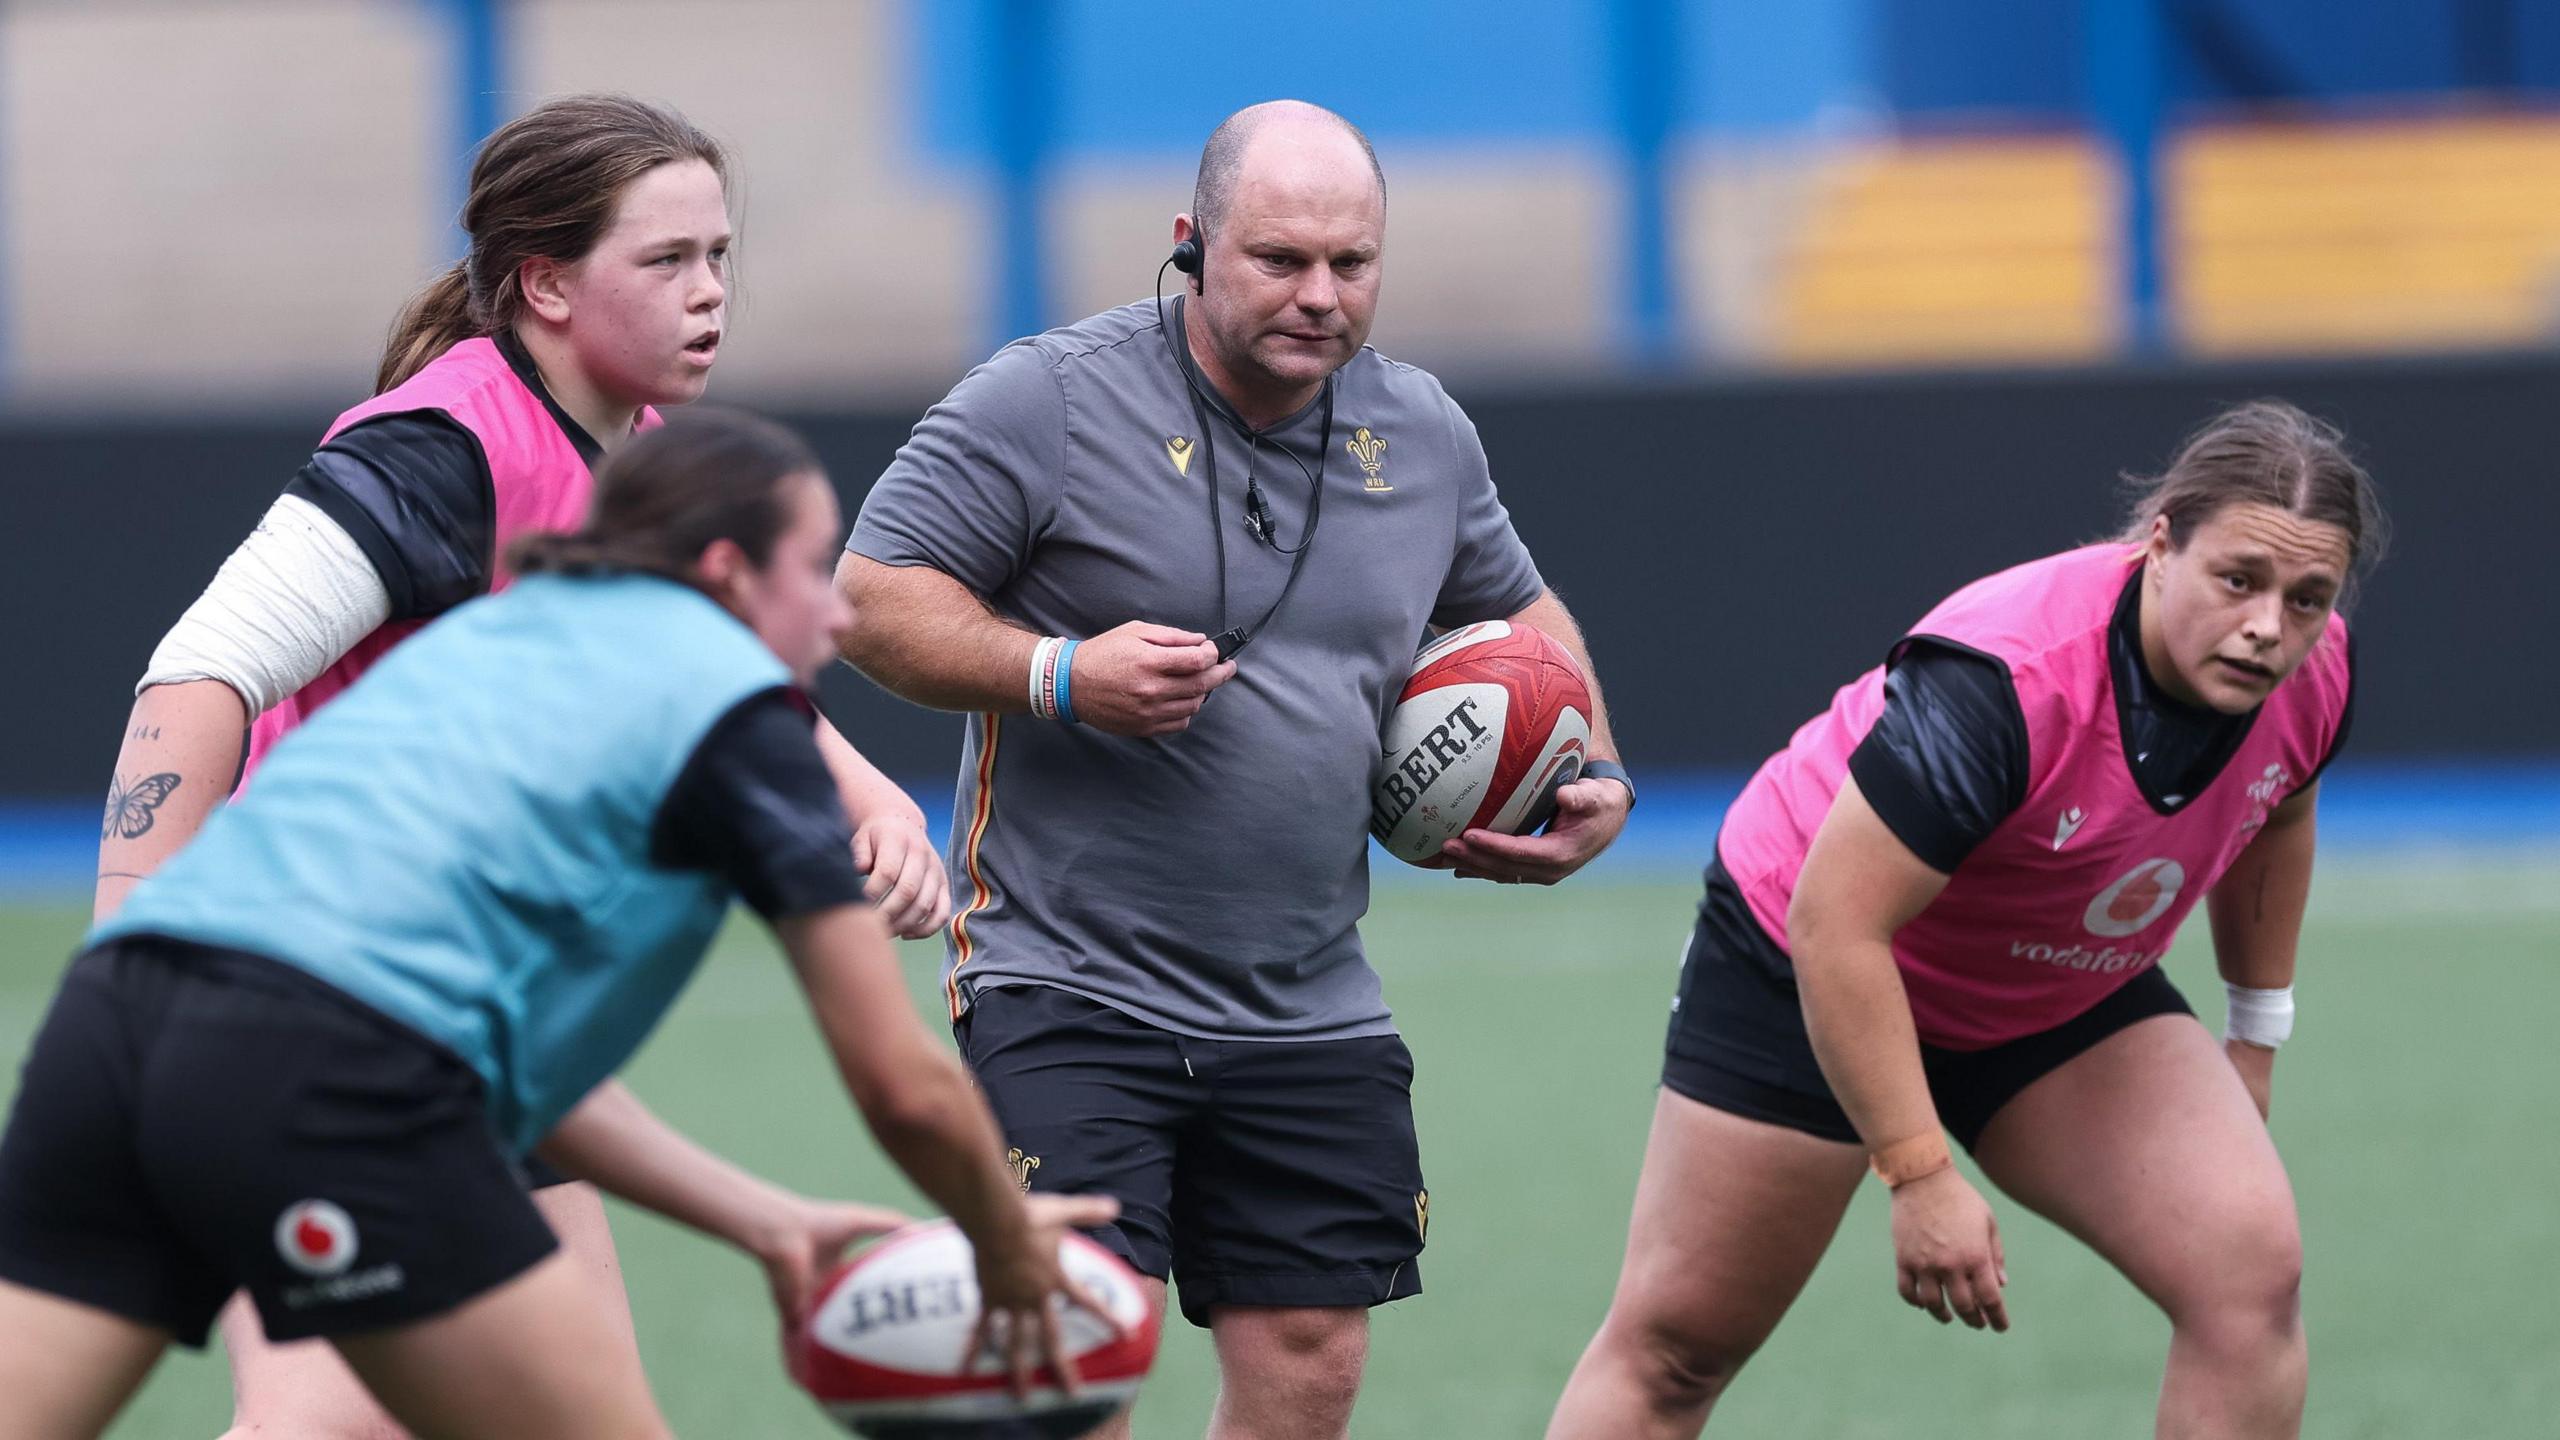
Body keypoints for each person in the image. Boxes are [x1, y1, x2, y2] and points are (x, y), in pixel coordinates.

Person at [87, 94, 948, 1437]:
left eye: (719, 256)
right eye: (667, 261)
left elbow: (712, 659)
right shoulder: (442, 448)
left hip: (464, 1017)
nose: (710, 293)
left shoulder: (639, 462)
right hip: (298, 1006)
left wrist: (869, 792)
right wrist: (129, 961)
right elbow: (197, 672)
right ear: (545, 284)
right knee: (327, 1425)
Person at [0, 409, 1116, 1440]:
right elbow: (901, 1086)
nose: (837, 611)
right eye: (812, 569)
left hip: (115, 1025)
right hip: (329, 1075)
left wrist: (756, 1217)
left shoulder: (494, 645)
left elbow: (509, 1068)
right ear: (727, 575)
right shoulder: (733, 715)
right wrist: (1004, 1238)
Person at [834, 99, 1635, 1440]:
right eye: (1280, 259)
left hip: (1310, 997)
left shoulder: (1422, 430)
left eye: (1352, 263)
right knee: (1071, 1356)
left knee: (1313, 1359)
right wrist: (1061, 675)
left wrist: (1593, 768)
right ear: (1193, 243)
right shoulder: (1049, 398)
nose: (1320, 294)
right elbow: (866, 600)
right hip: (1066, 976)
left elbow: (1522, 615)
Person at [1545, 400, 2388, 1440]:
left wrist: (2254, 1036)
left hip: (2049, 982)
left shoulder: (2314, 672)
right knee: (1678, 1351)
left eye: (2307, 598)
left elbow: (2275, 809)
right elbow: (1837, 927)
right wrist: (1918, 1170)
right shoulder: (2005, 682)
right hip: (1807, 955)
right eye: (2238, 579)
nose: (2269, 626)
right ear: (2162, 543)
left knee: (2250, 1280)